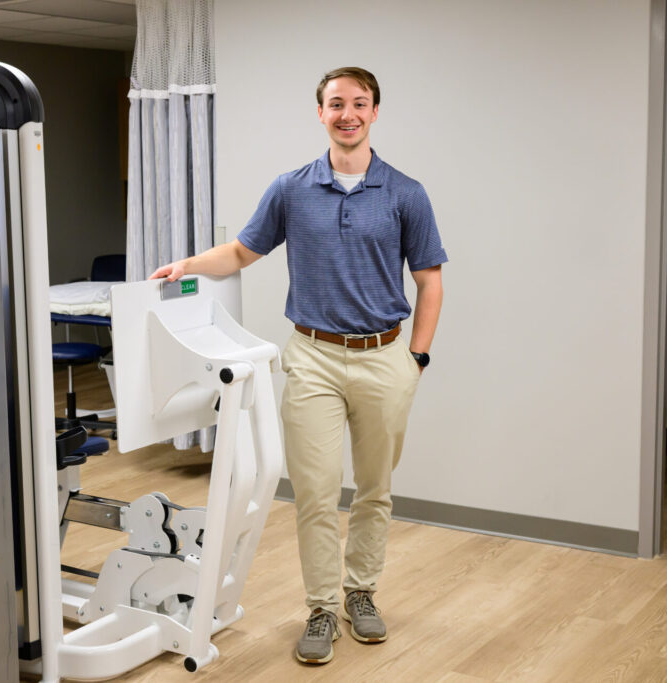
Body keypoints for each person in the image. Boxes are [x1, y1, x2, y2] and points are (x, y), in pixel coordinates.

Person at [149, 66, 447, 665]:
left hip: (386, 357)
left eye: (359, 104)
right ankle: (320, 606)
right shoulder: (291, 188)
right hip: (311, 357)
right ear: (321, 113)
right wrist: (185, 265)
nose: (348, 114)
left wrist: (416, 358)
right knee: (313, 494)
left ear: (375, 112)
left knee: (374, 490)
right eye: (336, 104)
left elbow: (430, 280)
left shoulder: (406, 192)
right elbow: (242, 251)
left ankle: (360, 594)